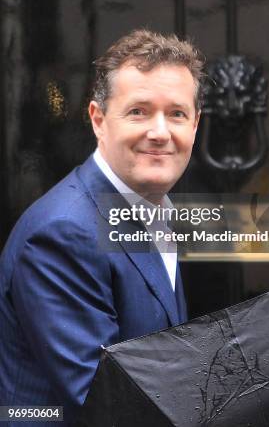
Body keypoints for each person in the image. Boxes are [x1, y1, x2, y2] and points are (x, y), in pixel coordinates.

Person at [0, 29, 204, 424]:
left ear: (195, 124)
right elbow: (108, 403)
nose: (160, 132)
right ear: (98, 120)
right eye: (138, 111)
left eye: (176, 113)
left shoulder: (155, 206)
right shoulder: (62, 233)